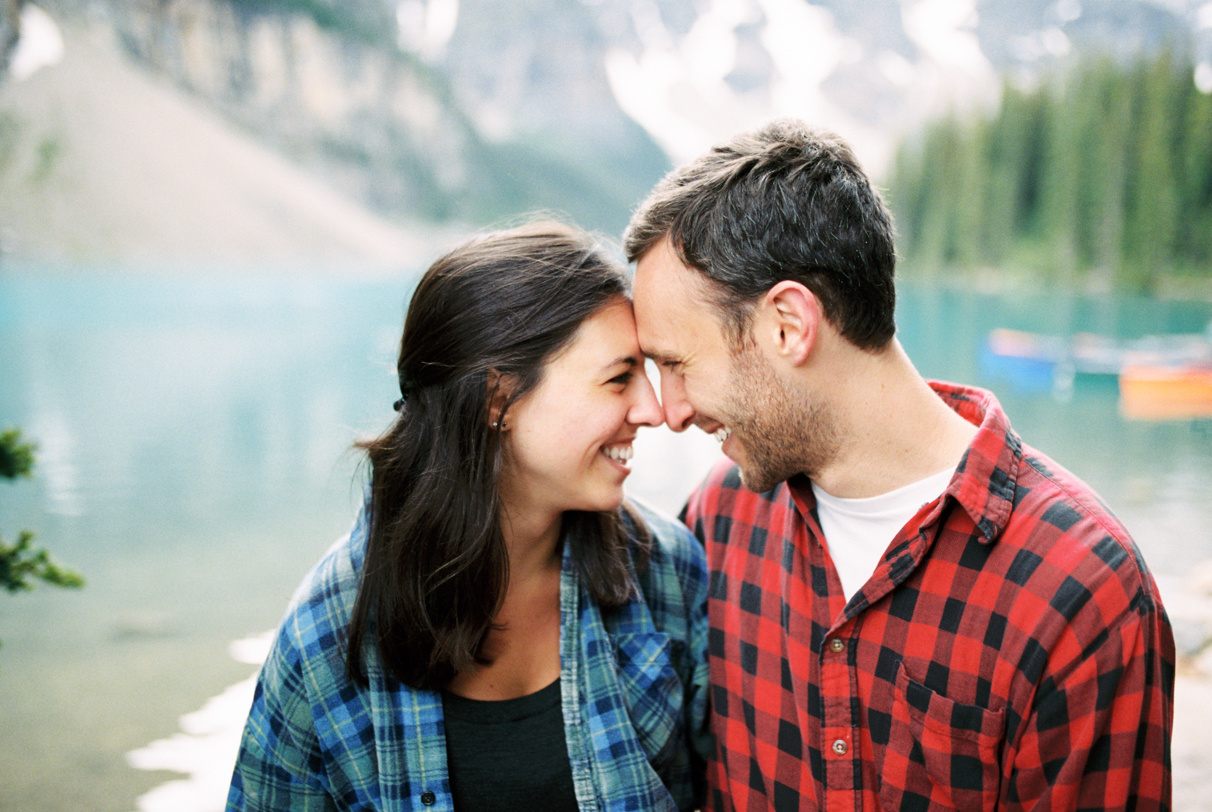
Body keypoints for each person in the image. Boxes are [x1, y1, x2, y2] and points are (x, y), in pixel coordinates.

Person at [623, 119, 1174, 811]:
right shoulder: (722, 514)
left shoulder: (1084, 589)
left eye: (676, 364)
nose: (669, 411)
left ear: (789, 325)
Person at [227, 222, 711, 812]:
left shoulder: (667, 570)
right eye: (618, 379)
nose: (654, 410)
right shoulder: (325, 637)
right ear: (496, 400)